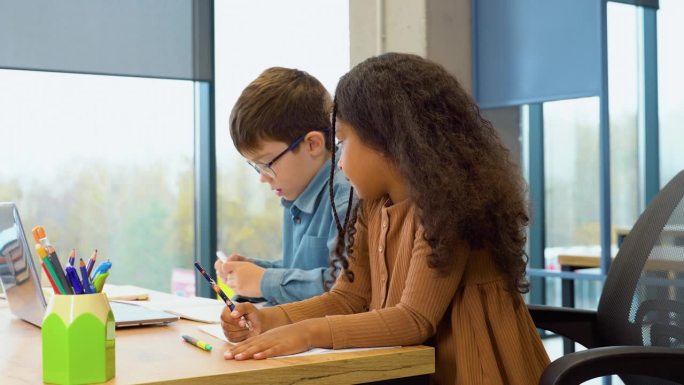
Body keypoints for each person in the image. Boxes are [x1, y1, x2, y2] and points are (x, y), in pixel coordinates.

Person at [220, 53, 550, 384]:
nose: (340, 162)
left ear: (388, 142)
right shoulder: (371, 207)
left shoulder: (445, 209)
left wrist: (306, 332)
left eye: (343, 142)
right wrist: (270, 319)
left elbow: (414, 319)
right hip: (414, 371)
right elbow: (350, 297)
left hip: (478, 370)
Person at [215, 67, 352, 305]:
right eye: (255, 167)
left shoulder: (345, 192)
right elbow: (301, 269)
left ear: (312, 144)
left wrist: (263, 280)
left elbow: (346, 286)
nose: (263, 177)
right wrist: (255, 270)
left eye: (267, 164)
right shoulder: (296, 193)